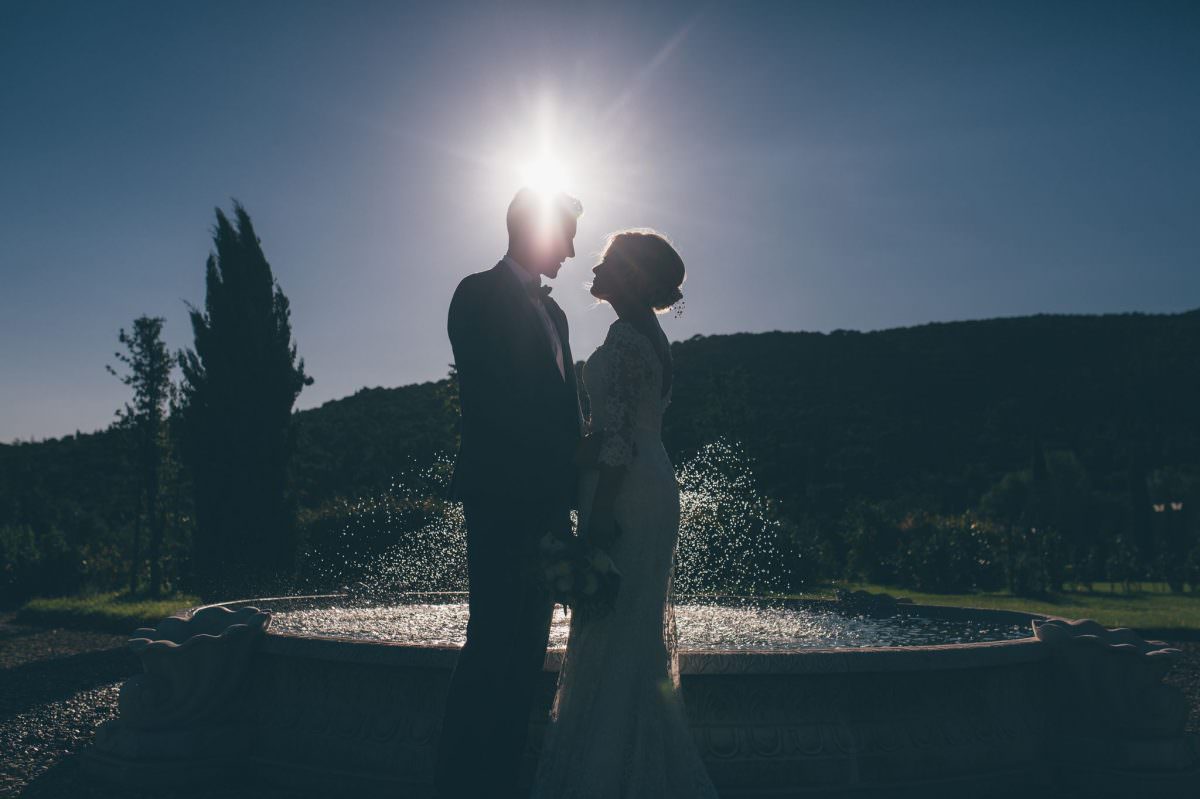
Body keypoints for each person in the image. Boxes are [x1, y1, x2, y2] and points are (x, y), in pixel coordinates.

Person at [530, 229, 719, 798]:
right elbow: (626, 429)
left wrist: (598, 515)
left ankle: (606, 778)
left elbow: (615, 440)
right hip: (647, 481)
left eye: (610, 259)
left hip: (625, 491)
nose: (596, 263)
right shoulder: (649, 335)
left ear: (634, 275)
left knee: (613, 632)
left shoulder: (627, 335)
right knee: (627, 635)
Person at [433, 187, 585, 799]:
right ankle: (460, 784)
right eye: (567, 234)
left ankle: (502, 783)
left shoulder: (560, 316)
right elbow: (492, 401)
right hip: (500, 500)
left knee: (526, 653)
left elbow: (562, 412)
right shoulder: (476, 294)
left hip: (549, 505)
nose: (573, 250)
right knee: (491, 643)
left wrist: (573, 499)